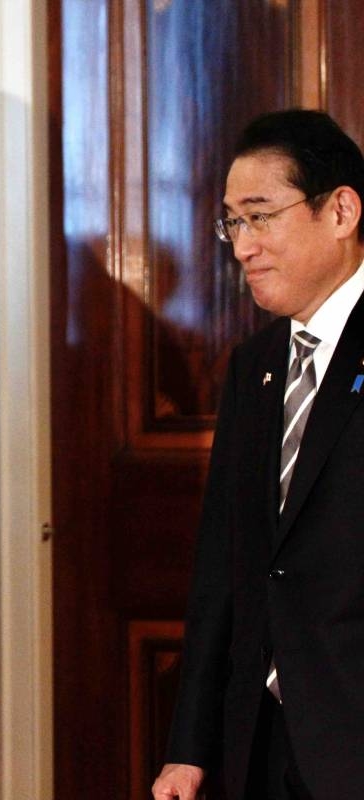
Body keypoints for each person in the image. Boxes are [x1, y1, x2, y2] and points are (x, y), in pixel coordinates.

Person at [152, 110, 364, 800]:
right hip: (262, 741)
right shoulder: (258, 365)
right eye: (232, 224)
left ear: (341, 211)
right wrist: (189, 747)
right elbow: (226, 564)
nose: (243, 247)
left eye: (261, 216)